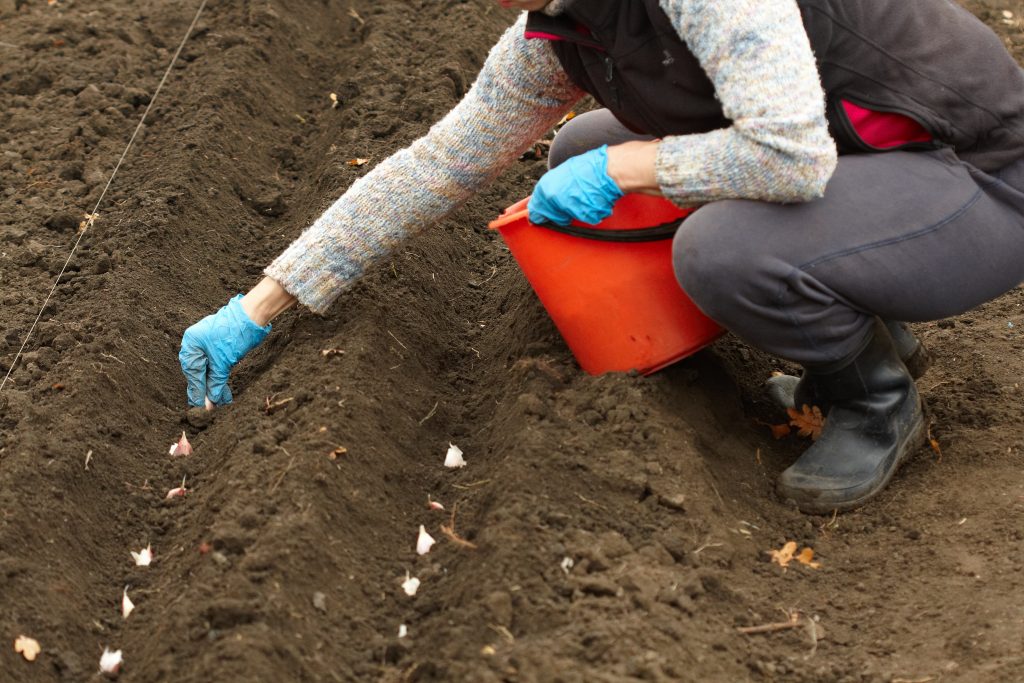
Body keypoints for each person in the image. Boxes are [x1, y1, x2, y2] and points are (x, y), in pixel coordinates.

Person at [180, 0, 1024, 514]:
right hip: (865, 161)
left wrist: (628, 165)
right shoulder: (561, 28)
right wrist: (261, 304)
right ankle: (856, 316)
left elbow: (792, 158)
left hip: (976, 174)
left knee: (720, 250)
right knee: (574, 145)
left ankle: (874, 401)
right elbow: (440, 165)